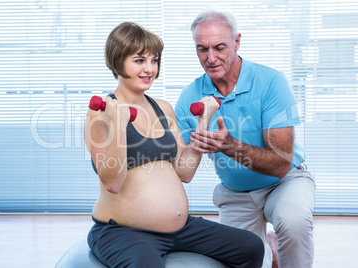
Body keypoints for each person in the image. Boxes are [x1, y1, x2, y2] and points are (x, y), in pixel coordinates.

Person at [84, 21, 264, 268]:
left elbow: (185, 171)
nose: (149, 69)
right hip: (122, 231)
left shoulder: (163, 108)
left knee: (250, 247)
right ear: (118, 61)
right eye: (139, 60)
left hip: (180, 229)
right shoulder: (101, 113)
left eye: (154, 60)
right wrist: (118, 126)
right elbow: (112, 183)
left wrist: (203, 122)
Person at [174, 8, 316, 268]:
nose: (211, 58)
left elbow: (282, 163)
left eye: (219, 47)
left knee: (293, 221)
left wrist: (229, 147)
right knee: (241, 257)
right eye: (202, 49)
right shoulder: (189, 97)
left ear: (237, 42)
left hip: (284, 182)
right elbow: (184, 169)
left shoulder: (272, 82)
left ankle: (277, 247)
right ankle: (269, 250)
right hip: (236, 192)